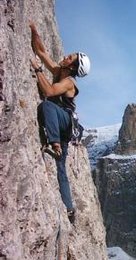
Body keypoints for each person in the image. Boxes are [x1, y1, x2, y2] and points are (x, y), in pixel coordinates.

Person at [29, 21, 90, 224]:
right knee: (61, 170)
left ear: (73, 66)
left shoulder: (68, 83)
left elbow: (49, 92)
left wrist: (38, 71)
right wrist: (34, 30)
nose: (65, 56)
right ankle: (70, 209)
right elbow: (41, 51)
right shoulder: (58, 71)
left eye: (69, 57)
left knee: (47, 105)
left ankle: (53, 143)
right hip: (62, 125)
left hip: (64, 122)